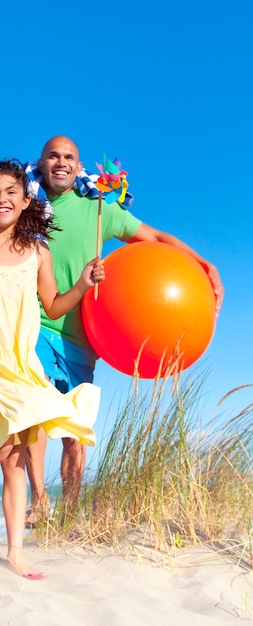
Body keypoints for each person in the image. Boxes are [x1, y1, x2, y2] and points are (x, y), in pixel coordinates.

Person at [23, 135, 225, 520]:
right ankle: (37, 501)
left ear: (78, 166)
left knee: (74, 429)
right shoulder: (29, 204)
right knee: (34, 410)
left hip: (84, 334)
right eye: (53, 155)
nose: (61, 162)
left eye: (69, 156)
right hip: (36, 320)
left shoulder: (99, 205)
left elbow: (154, 238)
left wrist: (203, 263)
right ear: (42, 161)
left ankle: (69, 509)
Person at [0, 160, 103, 579]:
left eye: (11, 191)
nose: (3, 199)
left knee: (16, 457)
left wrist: (83, 285)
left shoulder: (38, 251)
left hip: (23, 368)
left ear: (25, 199)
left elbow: (53, 305)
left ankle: (15, 551)